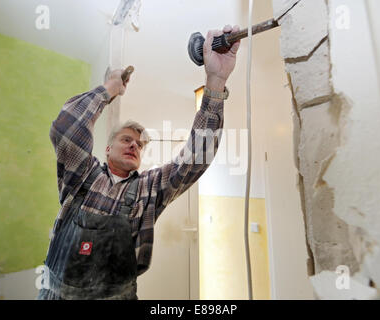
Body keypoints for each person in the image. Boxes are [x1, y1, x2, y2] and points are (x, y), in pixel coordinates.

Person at [37, 25, 241, 300]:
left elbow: (197, 159)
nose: (134, 144)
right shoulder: (83, 174)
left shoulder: (149, 189)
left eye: (140, 144)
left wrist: (215, 82)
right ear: (107, 148)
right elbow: (67, 127)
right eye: (126, 139)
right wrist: (109, 89)